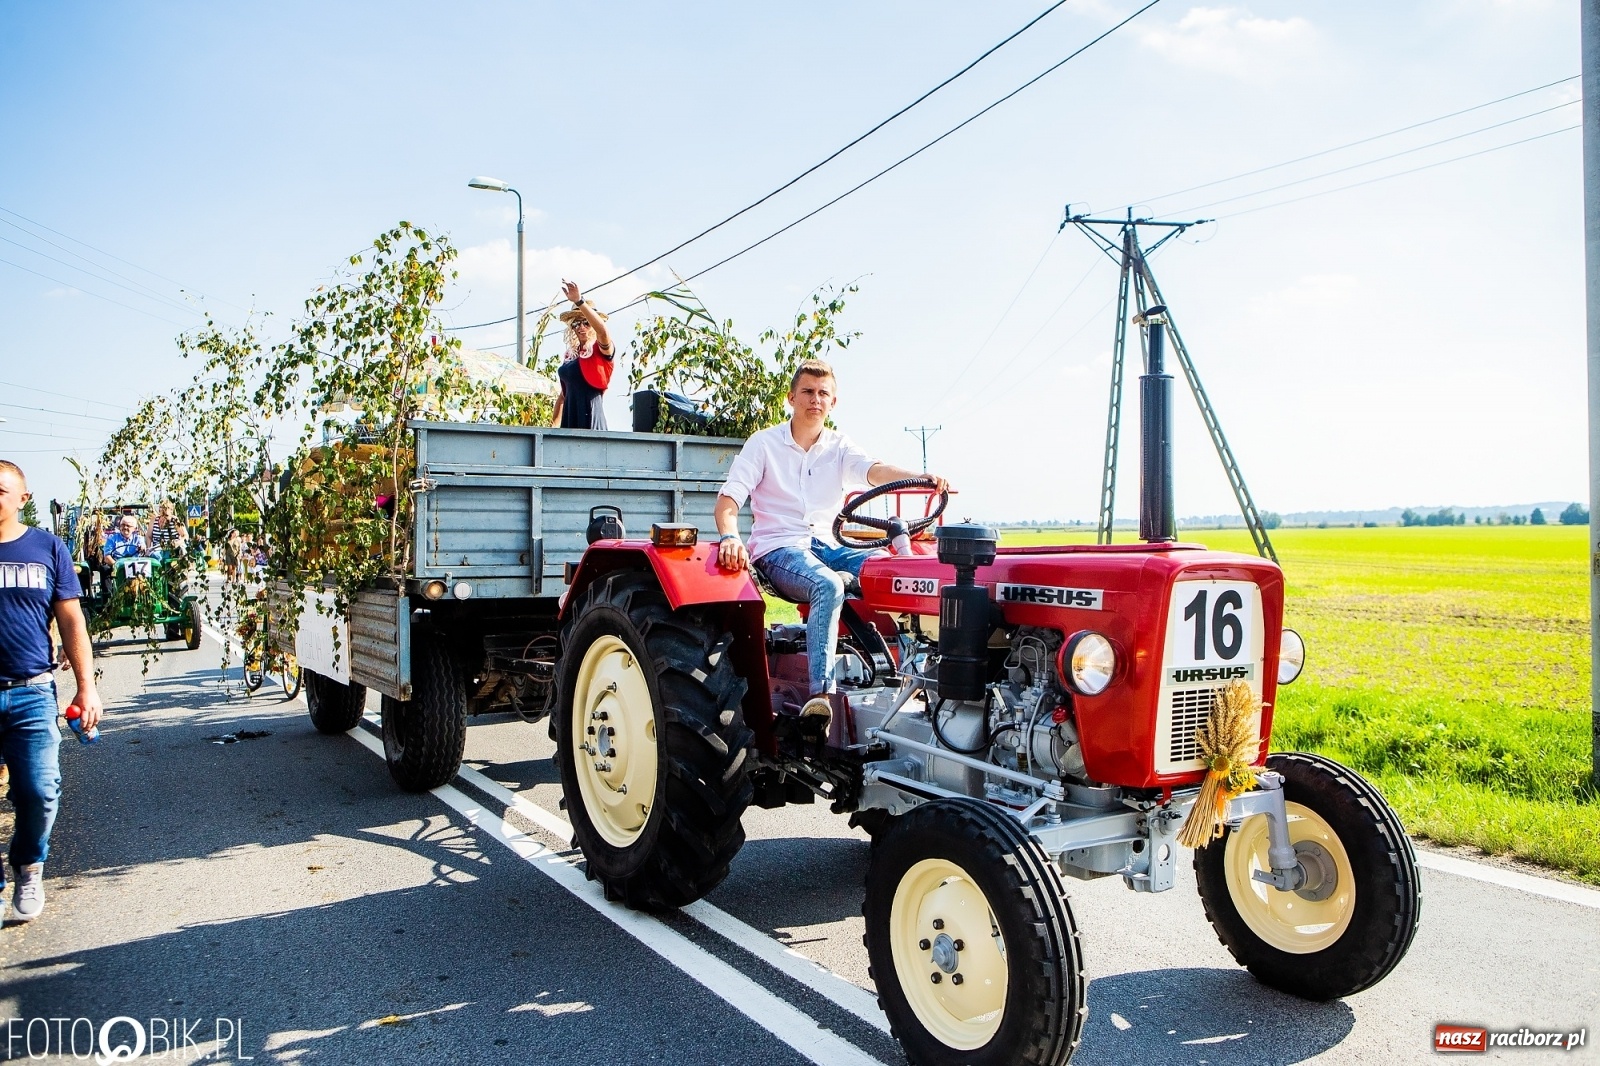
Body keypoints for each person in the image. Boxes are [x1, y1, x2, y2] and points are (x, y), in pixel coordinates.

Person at [713, 359, 948, 730]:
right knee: (827, 584)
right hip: (780, 548)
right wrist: (730, 536)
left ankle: (919, 679)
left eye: (823, 393)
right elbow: (728, 501)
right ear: (791, 397)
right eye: (807, 391)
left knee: (898, 573)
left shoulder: (838, 445)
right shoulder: (763, 444)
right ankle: (821, 696)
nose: (815, 399)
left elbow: (875, 471)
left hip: (830, 544)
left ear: (833, 402)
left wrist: (919, 477)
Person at [0, 460, 102, 922]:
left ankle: (28, 865)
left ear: (23, 499)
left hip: (31, 692)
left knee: (39, 792)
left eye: (1, 491)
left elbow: (72, 620)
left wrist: (86, 687)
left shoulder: (47, 548)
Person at [550, 280, 615, 430]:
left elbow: (603, 332)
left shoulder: (599, 350)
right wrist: (552, 427)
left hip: (590, 413)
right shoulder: (571, 355)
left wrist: (579, 302)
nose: (581, 327)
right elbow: (563, 396)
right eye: (576, 323)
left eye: (586, 323)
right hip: (570, 417)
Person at [98, 513, 149, 585]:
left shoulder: (139, 539)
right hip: (116, 564)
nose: (125, 527)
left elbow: (143, 547)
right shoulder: (112, 538)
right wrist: (118, 566)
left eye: (128, 526)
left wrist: (142, 547)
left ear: (134, 528)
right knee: (104, 569)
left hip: (135, 566)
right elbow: (107, 557)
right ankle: (108, 592)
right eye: (123, 525)